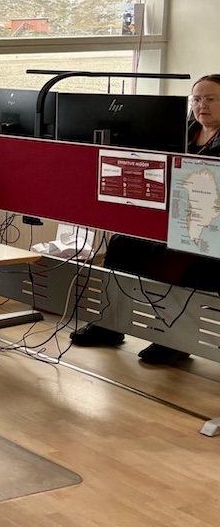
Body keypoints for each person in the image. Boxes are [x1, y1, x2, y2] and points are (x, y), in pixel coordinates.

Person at [70, 74, 220, 365]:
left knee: (189, 264)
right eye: (197, 99)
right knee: (121, 245)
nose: (202, 105)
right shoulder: (178, 131)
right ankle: (109, 324)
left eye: (211, 98)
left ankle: (175, 338)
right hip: (170, 220)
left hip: (209, 231)